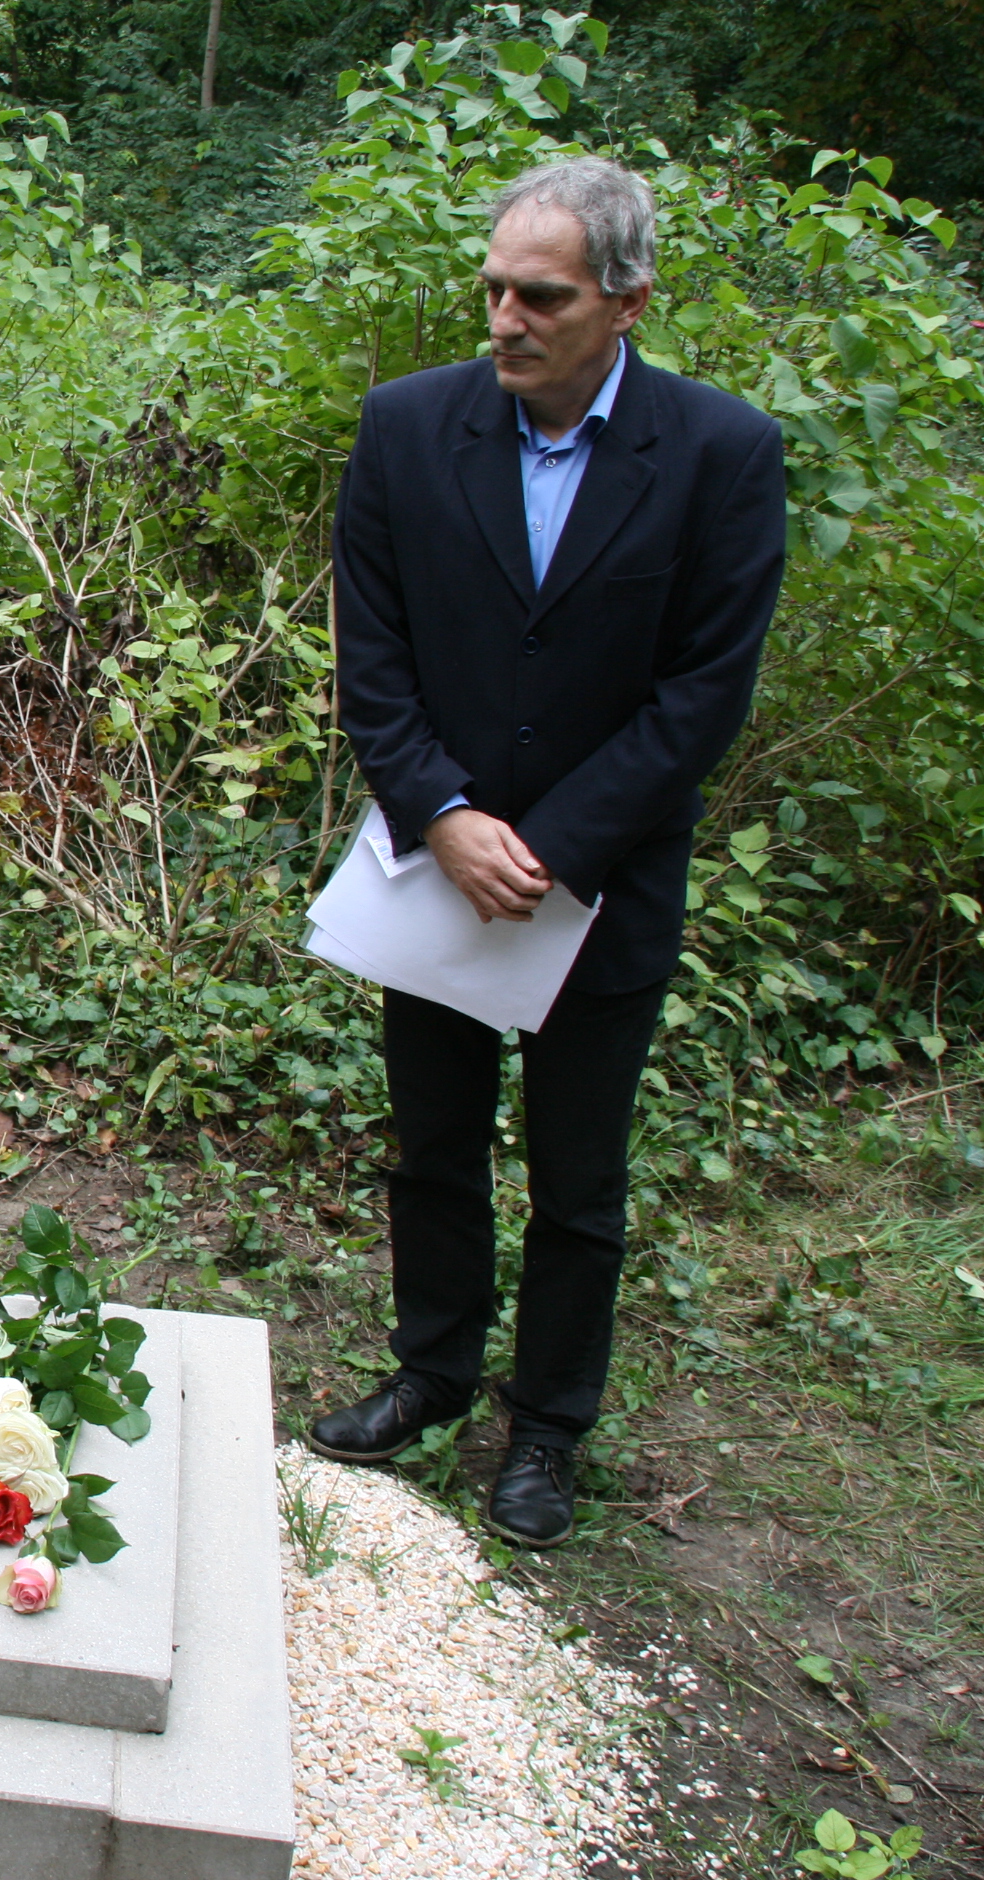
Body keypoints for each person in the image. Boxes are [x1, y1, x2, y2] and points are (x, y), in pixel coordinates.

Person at [310, 157, 786, 1546]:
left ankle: (548, 1430)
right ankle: (431, 1373)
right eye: (494, 290)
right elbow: (372, 653)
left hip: (604, 882)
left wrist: (556, 846)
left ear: (626, 303)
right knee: (433, 1145)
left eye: (542, 297)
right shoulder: (408, 428)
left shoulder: (719, 453)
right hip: (433, 870)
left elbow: (702, 691)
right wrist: (444, 816)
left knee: (579, 1178)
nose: (505, 320)